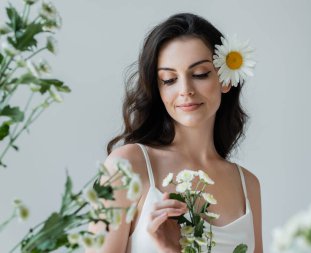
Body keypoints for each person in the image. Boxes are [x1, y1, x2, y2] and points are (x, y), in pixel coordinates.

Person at [87, 12, 263, 253]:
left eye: (200, 74)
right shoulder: (127, 167)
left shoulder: (248, 185)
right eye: (169, 79)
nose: (185, 90)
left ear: (225, 80)